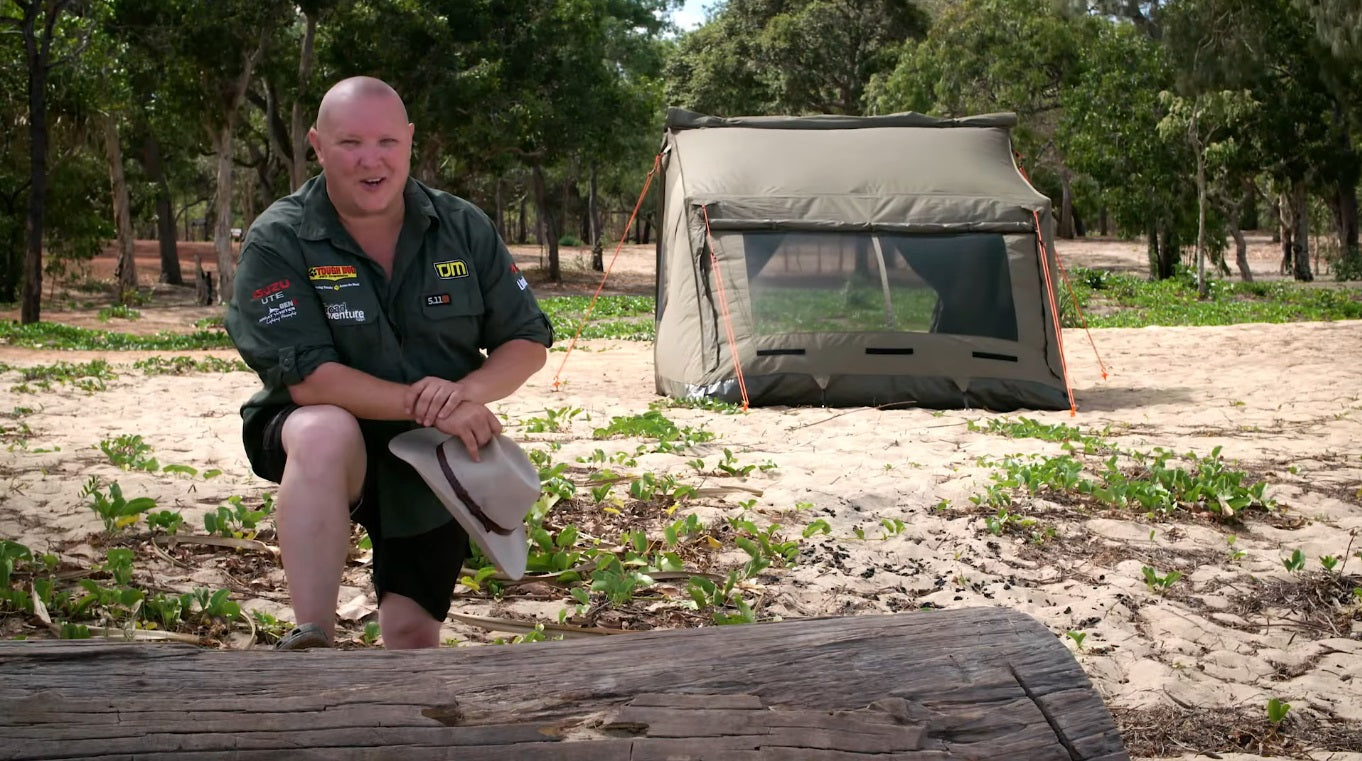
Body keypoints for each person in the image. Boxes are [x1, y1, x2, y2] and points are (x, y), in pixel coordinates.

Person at [225, 76, 553, 650]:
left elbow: (526, 341)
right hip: (321, 440)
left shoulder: (462, 225)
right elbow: (309, 379)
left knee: (411, 638)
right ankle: (312, 640)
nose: (371, 160)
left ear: (409, 140)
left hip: (432, 455)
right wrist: (429, 404)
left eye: (387, 142)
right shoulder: (279, 238)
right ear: (317, 145)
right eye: (350, 143)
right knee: (326, 430)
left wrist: (465, 394)